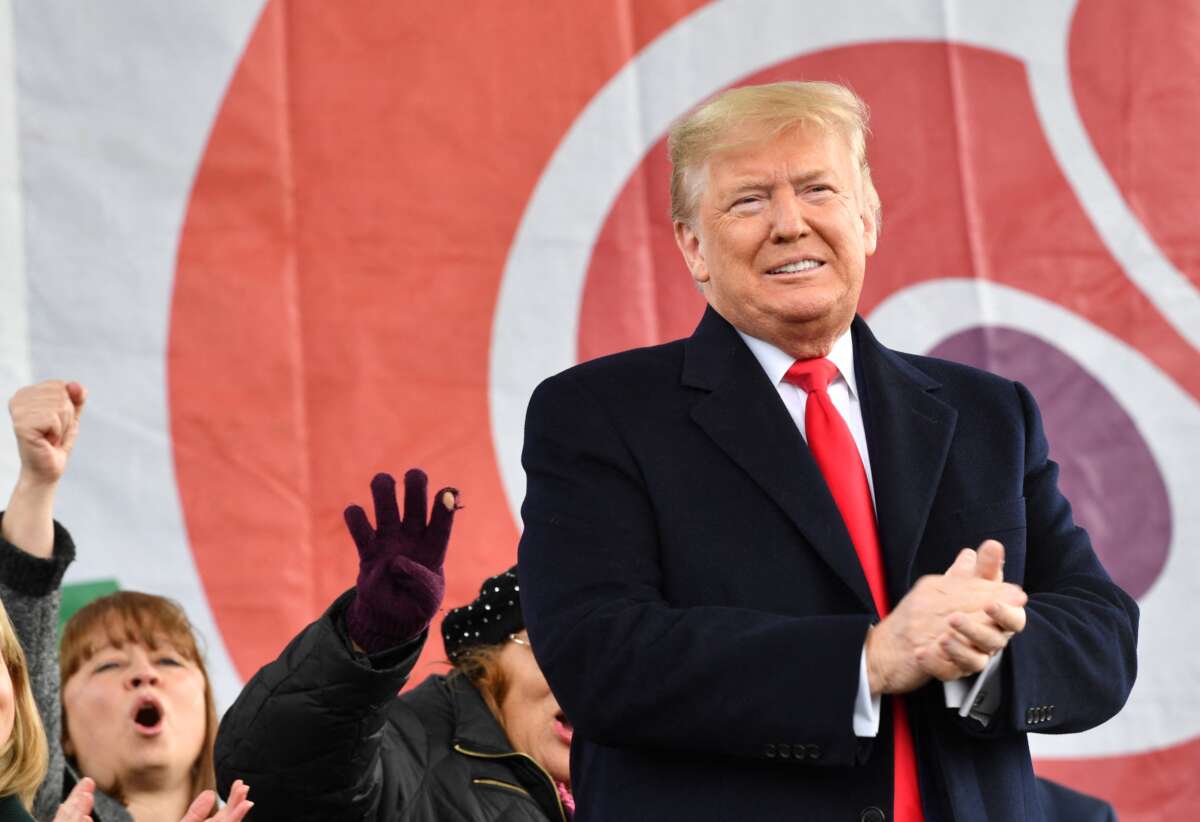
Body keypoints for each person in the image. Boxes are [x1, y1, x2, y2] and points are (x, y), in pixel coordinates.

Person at [517, 81, 1139, 821]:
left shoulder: (987, 412)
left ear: (868, 218)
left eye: (818, 189)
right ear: (693, 245)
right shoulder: (598, 413)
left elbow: (1101, 634)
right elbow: (600, 656)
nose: (790, 224)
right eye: (748, 200)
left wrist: (985, 656)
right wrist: (867, 662)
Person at [215, 470, 573, 821]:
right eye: (556, 648)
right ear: (488, 660)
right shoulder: (403, 751)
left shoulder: (623, 792)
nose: (587, 680)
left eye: (610, 661)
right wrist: (370, 638)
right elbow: (278, 780)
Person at [0, 380, 254, 822]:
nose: (144, 675)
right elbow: (20, 637)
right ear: (53, 719)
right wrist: (38, 484)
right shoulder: (44, 806)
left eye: (171, 662)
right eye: (108, 665)